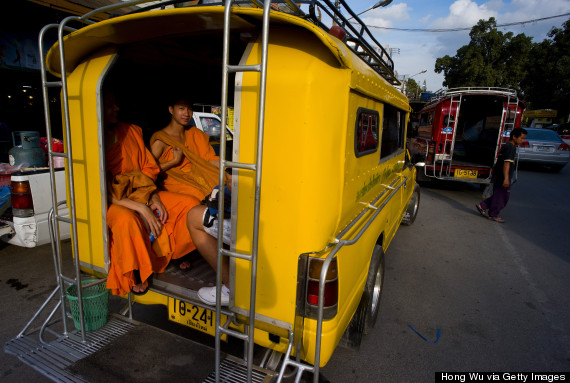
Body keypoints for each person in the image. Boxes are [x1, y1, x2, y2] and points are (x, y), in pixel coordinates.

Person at [104, 92, 199, 296]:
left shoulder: (130, 131)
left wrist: (152, 197)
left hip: (144, 190)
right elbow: (98, 188)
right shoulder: (91, 140)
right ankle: (137, 272)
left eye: (116, 104)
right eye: (110, 106)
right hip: (112, 199)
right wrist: (141, 208)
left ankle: (172, 254)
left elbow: (148, 169)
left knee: (190, 203)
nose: (116, 109)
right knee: (127, 221)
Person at [476, 127, 527, 223]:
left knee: (498, 196)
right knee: (502, 197)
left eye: (524, 138)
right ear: (514, 136)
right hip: (502, 177)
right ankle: (493, 214)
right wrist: (506, 178)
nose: (522, 140)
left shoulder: (507, 146)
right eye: (521, 138)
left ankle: (483, 206)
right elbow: (506, 163)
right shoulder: (510, 148)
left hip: (500, 175)